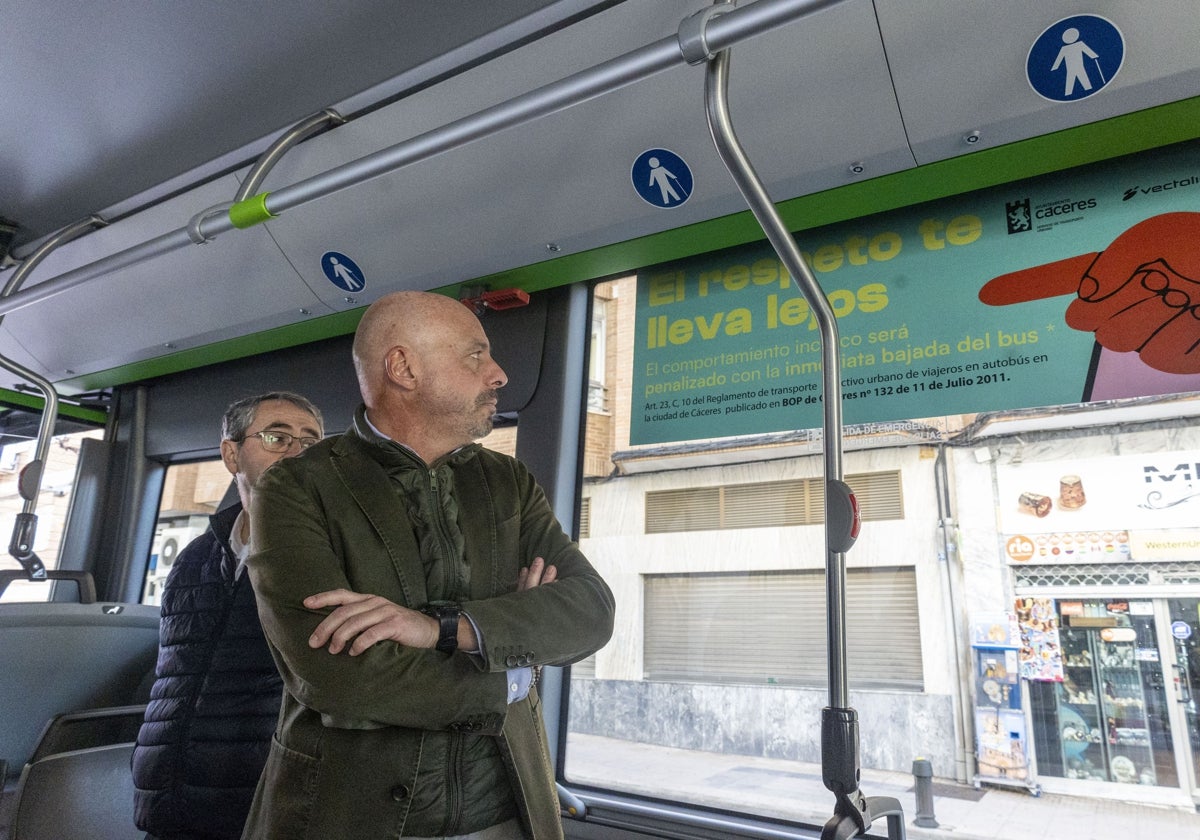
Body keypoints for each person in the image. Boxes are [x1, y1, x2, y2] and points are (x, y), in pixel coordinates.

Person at [241, 291, 615, 840]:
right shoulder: (298, 487)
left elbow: (590, 612)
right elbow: (340, 677)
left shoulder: (508, 483)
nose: (499, 374)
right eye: (475, 356)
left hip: (508, 813)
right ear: (403, 368)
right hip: (351, 816)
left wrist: (444, 629)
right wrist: (511, 672)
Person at [132, 392, 325, 840]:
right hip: (167, 795)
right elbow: (173, 677)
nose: (297, 451)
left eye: (311, 442)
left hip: (263, 800)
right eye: (277, 437)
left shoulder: (330, 555)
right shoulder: (196, 557)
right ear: (231, 454)